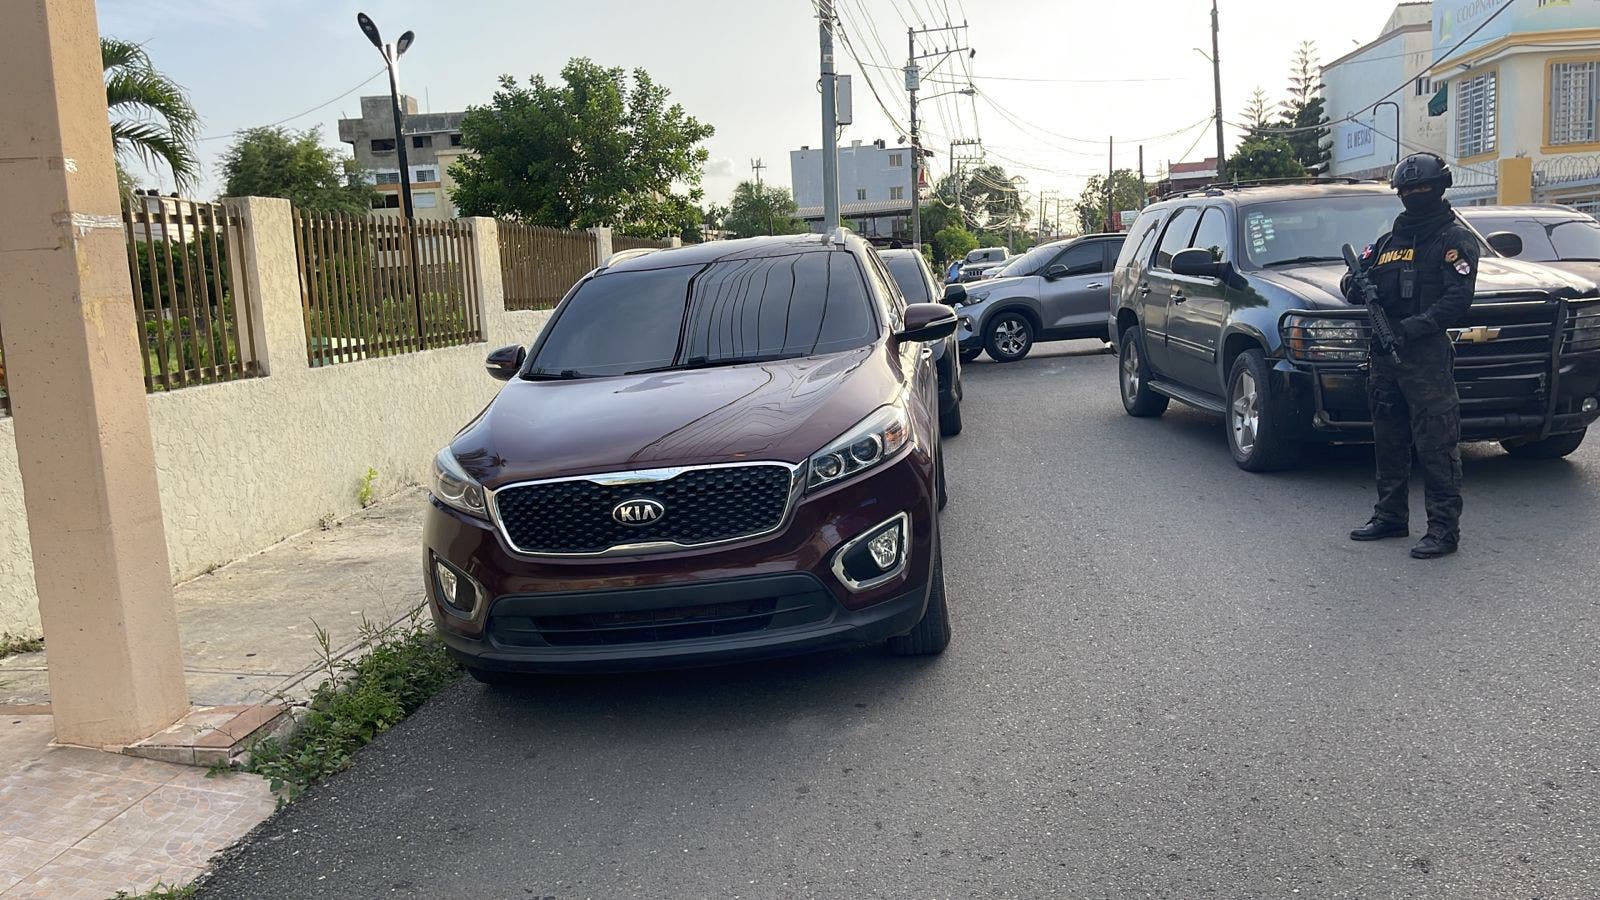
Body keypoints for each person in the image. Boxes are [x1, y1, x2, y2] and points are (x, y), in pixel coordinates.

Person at [1343, 152, 1477, 559]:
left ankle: (1443, 528)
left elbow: (1458, 300)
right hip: (1384, 354)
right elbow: (1350, 281)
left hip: (1425, 356)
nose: (1417, 194)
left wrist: (1412, 329)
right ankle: (1390, 516)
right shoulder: (1386, 243)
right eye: (1409, 189)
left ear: (1440, 189)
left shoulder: (1454, 240)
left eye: (1424, 188)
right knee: (1389, 438)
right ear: (1399, 194)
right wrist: (1358, 285)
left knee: (1436, 443)